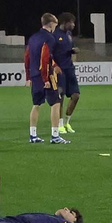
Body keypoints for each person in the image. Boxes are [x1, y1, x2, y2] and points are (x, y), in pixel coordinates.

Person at [24, 13, 67, 144]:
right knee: (55, 103)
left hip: (35, 76)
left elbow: (27, 57)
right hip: (46, 76)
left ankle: (33, 135)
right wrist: (46, 79)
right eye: (55, 24)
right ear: (51, 24)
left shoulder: (33, 38)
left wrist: (28, 76)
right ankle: (55, 136)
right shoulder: (49, 38)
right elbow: (44, 58)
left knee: (36, 104)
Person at [53, 13, 80, 134]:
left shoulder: (69, 35)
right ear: (64, 23)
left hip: (69, 69)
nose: (73, 25)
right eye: (71, 22)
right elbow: (50, 54)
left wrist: (73, 51)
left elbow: (70, 49)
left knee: (76, 96)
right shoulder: (55, 36)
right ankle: (60, 124)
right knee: (60, 97)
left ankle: (67, 122)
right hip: (60, 71)